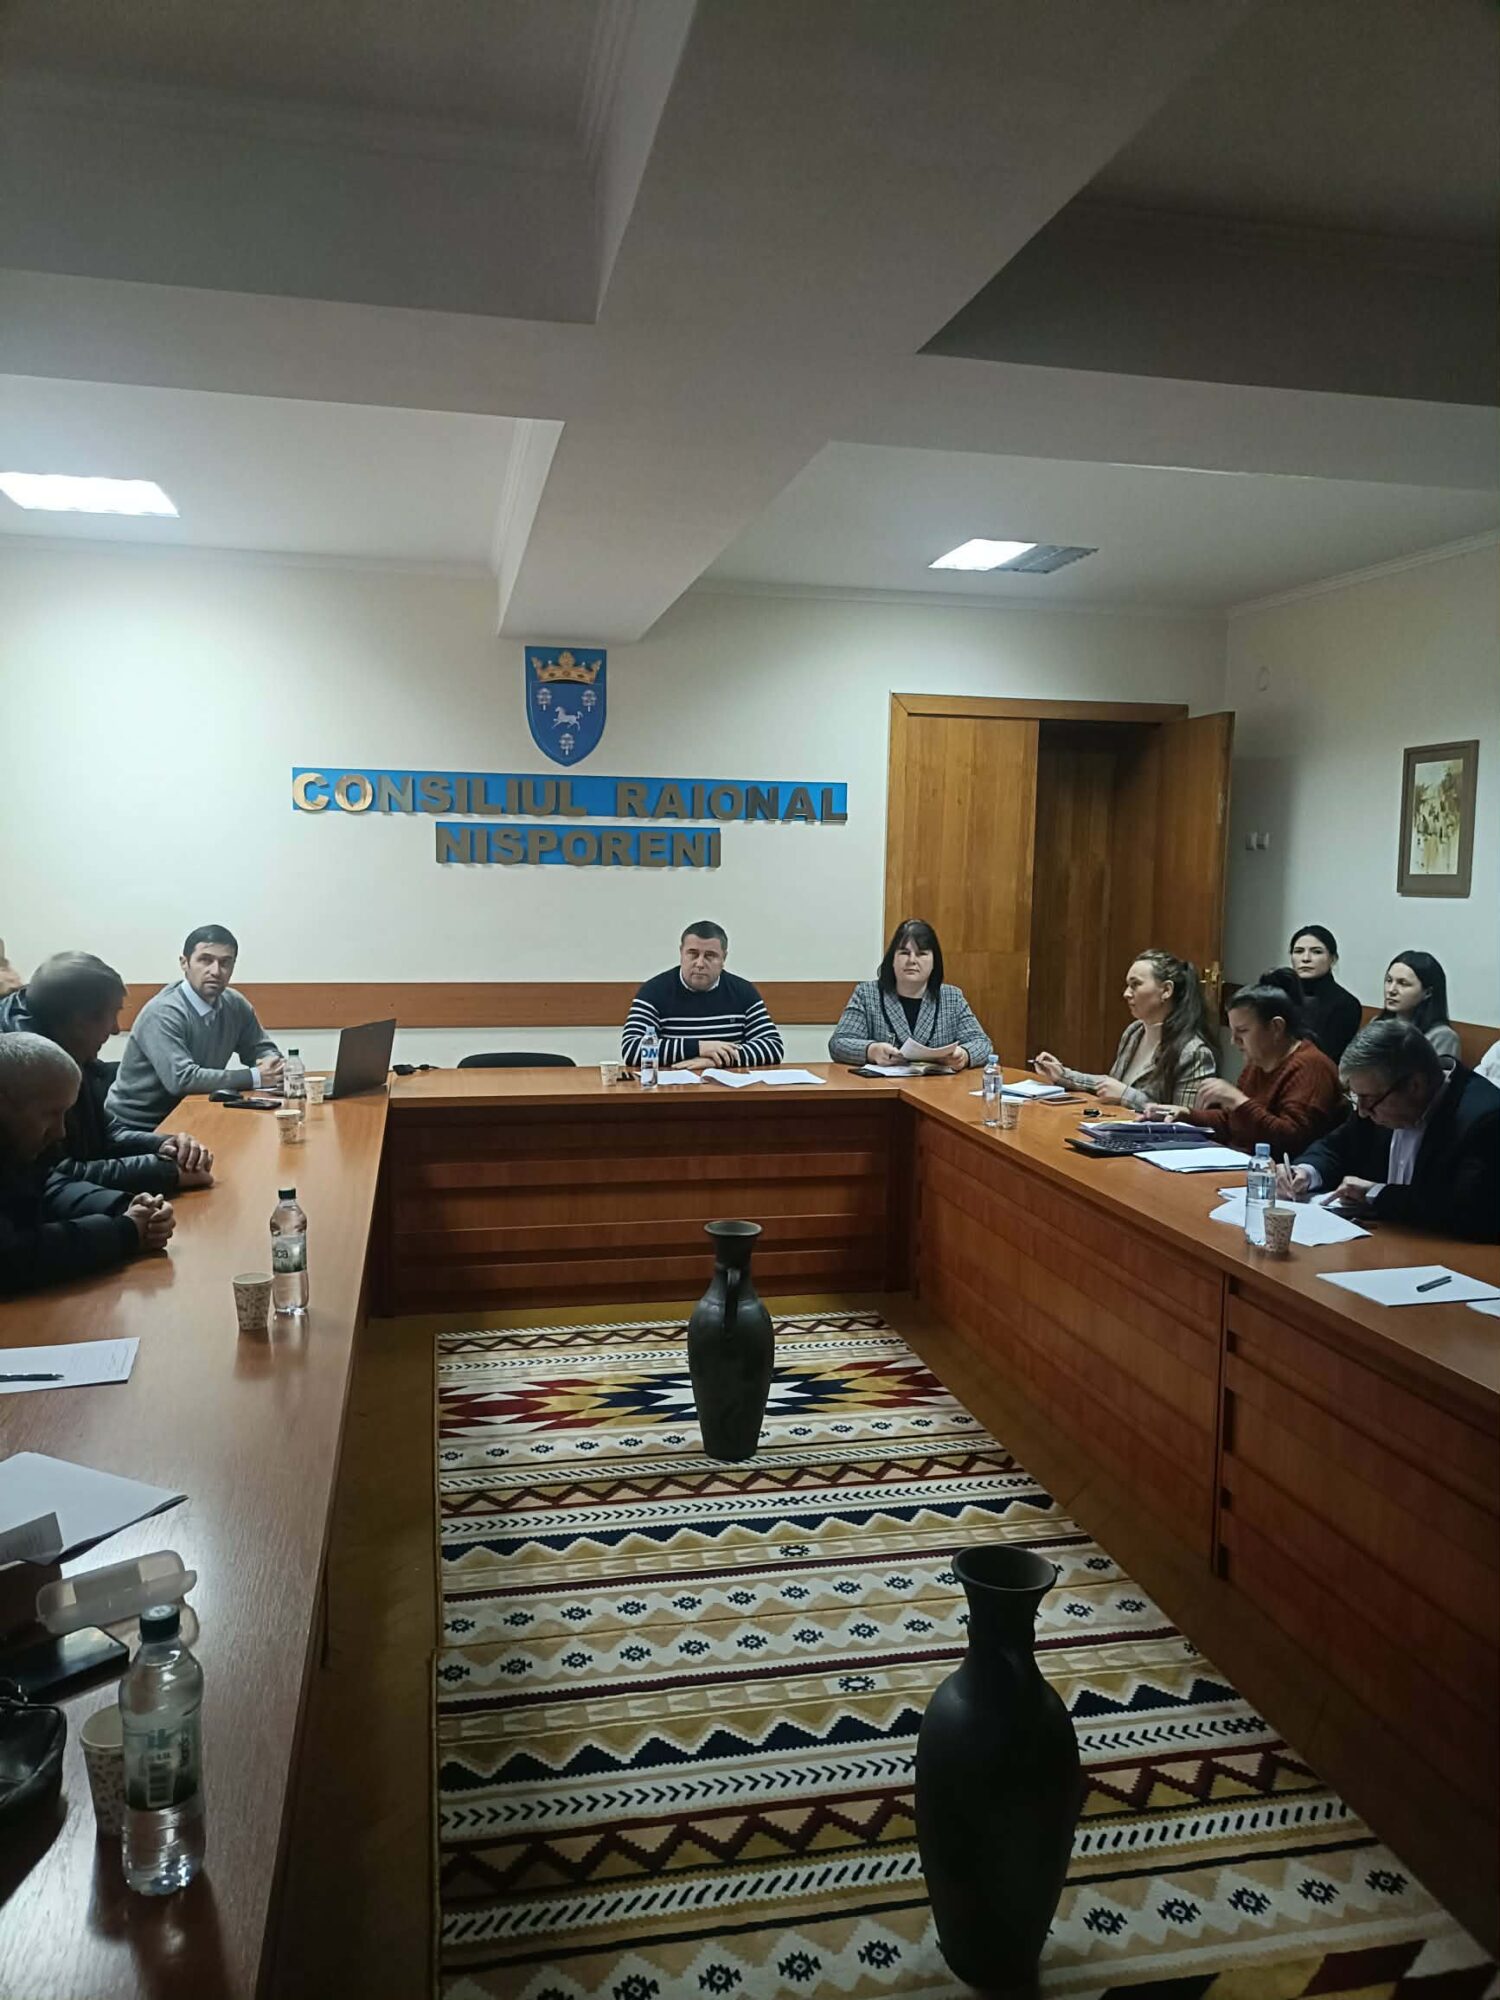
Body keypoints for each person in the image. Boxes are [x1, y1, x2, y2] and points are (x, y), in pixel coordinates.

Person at [0, 953, 214, 1195]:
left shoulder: (68, 1047)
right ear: (79, 1021)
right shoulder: (27, 1071)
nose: (115, 1029)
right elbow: (54, 1177)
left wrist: (164, 1144)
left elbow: (107, 1132)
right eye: (111, 1015)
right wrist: (166, 1171)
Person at [1276, 1018, 1499, 1242]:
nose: (1362, 1111)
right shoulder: (1378, 1098)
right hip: (1378, 1241)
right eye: (1356, 1097)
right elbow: (1336, 1147)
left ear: (1415, 1086)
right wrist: (1305, 1172)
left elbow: (1468, 1209)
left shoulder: (1485, 1118)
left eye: (1368, 1099)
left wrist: (1376, 1193)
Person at [0, 1033, 176, 1294]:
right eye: (50, 1114)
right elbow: (11, 1257)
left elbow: (48, 1184)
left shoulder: (16, 1145)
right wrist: (124, 1231)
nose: (60, 1132)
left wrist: (124, 1206)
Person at [1148, 968, 1342, 1153]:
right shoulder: (1257, 1062)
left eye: (1242, 1031)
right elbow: (1234, 1122)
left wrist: (1237, 1100)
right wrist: (1186, 1115)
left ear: (1276, 1027)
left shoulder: (1312, 1067)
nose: (1234, 1041)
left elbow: (1291, 1140)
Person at [107, 925, 283, 1128]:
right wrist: (257, 1077)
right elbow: (182, 1080)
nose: (216, 971)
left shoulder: (234, 1004)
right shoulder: (163, 1012)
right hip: (138, 1125)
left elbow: (260, 1048)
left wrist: (271, 1064)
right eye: (205, 960)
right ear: (184, 963)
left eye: (225, 963)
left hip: (193, 1114)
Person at [1034, 949, 1216, 1110]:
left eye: (1135, 985)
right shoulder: (1135, 1032)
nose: (1126, 993)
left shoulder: (1194, 1053)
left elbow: (1186, 1122)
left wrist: (1126, 1096)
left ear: (1166, 990)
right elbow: (1111, 1087)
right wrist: (1063, 1075)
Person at [829, 919, 993, 1071]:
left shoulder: (952, 998)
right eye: (904, 953)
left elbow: (983, 1044)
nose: (912, 960)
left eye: (921, 954)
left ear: (934, 961)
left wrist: (964, 1054)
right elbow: (838, 1043)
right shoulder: (867, 994)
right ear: (892, 959)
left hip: (937, 1087)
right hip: (883, 1088)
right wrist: (871, 1051)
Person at [622, 922, 783, 1072]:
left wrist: (716, 1060)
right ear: (681, 953)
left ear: (724, 958)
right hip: (672, 1089)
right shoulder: (654, 991)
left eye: (710, 955)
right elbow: (632, 1049)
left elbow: (773, 1046)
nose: (700, 963)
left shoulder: (743, 991)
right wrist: (701, 1047)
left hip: (727, 1089)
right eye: (693, 954)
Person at [1288, 924, 1362, 1065]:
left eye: (1316, 952)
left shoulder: (1346, 1003)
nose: (1306, 958)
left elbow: (1329, 1057)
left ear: (1333, 959)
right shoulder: (1281, 994)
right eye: (1298, 951)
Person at [1375, 950, 1460, 1059]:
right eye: (1389, 980)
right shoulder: (1378, 1023)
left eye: (1403, 983)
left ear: (1428, 992)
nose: (1391, 990)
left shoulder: (1442, 1036)